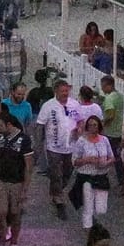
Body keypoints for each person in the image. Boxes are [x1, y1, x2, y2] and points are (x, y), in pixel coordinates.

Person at [0, 108, 30, 246]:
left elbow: (28, 166)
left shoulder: (24, 140)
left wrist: (25, 188)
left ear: (9, 124)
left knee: (15, 213)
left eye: (0, 125)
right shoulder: (1, 139)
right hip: (0, 179)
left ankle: (14, 242)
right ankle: (1, 244)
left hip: (16, 182)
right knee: (0, 211)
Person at [39, 78, 79, 218]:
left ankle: (56, 190)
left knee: (68, 172)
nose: (65, 93)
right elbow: (40, 124)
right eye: (62, 91)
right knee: (56, 173)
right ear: (56, 91)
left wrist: (78, 131)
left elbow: (79, 121)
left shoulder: (74, 104)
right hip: (53, 147)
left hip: (70, 147)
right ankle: (58, 199)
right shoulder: (48, 106)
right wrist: (39, 144)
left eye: (67, 90)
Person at [72, 114, 115, 229]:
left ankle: (94, 220)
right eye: (90, 125)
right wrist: (87, 160)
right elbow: (75, 161)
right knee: (88, 204)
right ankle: (87, 227)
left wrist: (106, 163)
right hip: (86, 176)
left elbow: (112, 157)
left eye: (95, 125)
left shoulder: (104, 140)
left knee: (101, 208)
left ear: (99, 126)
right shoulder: (81, 141)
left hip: (101, 176)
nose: (92, 127)